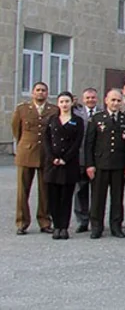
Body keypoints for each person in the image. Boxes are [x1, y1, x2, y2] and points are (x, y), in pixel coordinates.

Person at [85, 89, 125, 239]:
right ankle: (96, 227)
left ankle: (116, 226)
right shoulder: (97, 118)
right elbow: (89, 144)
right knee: (98, 198)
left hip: (119, 165)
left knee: (117, 198)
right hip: (100, 164)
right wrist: (90, 165)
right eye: (113, 100)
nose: (115, 103)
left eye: (118, 101)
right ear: (106, 100)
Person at [12, 81, 56, 235]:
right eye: (38, 90)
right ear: (32, 93)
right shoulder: (22, 109)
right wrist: (24, 146)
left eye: (43, 90)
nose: (40, 93)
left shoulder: (53, 110)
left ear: (47, 93)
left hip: (45, 154)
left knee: (45, 190)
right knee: (22, 191)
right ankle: (22, 222)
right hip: (26, 153)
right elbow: (16, 130)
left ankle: (44, 221)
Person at [43, 92, 85, 239]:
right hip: (53, 164)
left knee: (66, 197)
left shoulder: (77, 121)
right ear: (58, 103)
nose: (64, 104)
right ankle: (56, 226)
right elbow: (46, 140)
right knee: (53, 197)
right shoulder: (52, 119)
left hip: (69, 164)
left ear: (71, 103)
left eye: (67, 101)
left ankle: (64, 227)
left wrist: (65, 158)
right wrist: (52, 158)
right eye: (61, 101)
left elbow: (77, 143)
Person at [72, 88, 100, 233]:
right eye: (88, 98)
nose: (90, 100)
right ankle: (82, 220)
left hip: (99, 160)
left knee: (97, 192)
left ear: (97, 99)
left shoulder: (102, 113)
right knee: (81, 191)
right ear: (83, 99)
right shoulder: (76, 114)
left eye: (93, 97)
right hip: (81, 159)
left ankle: (96, 220)